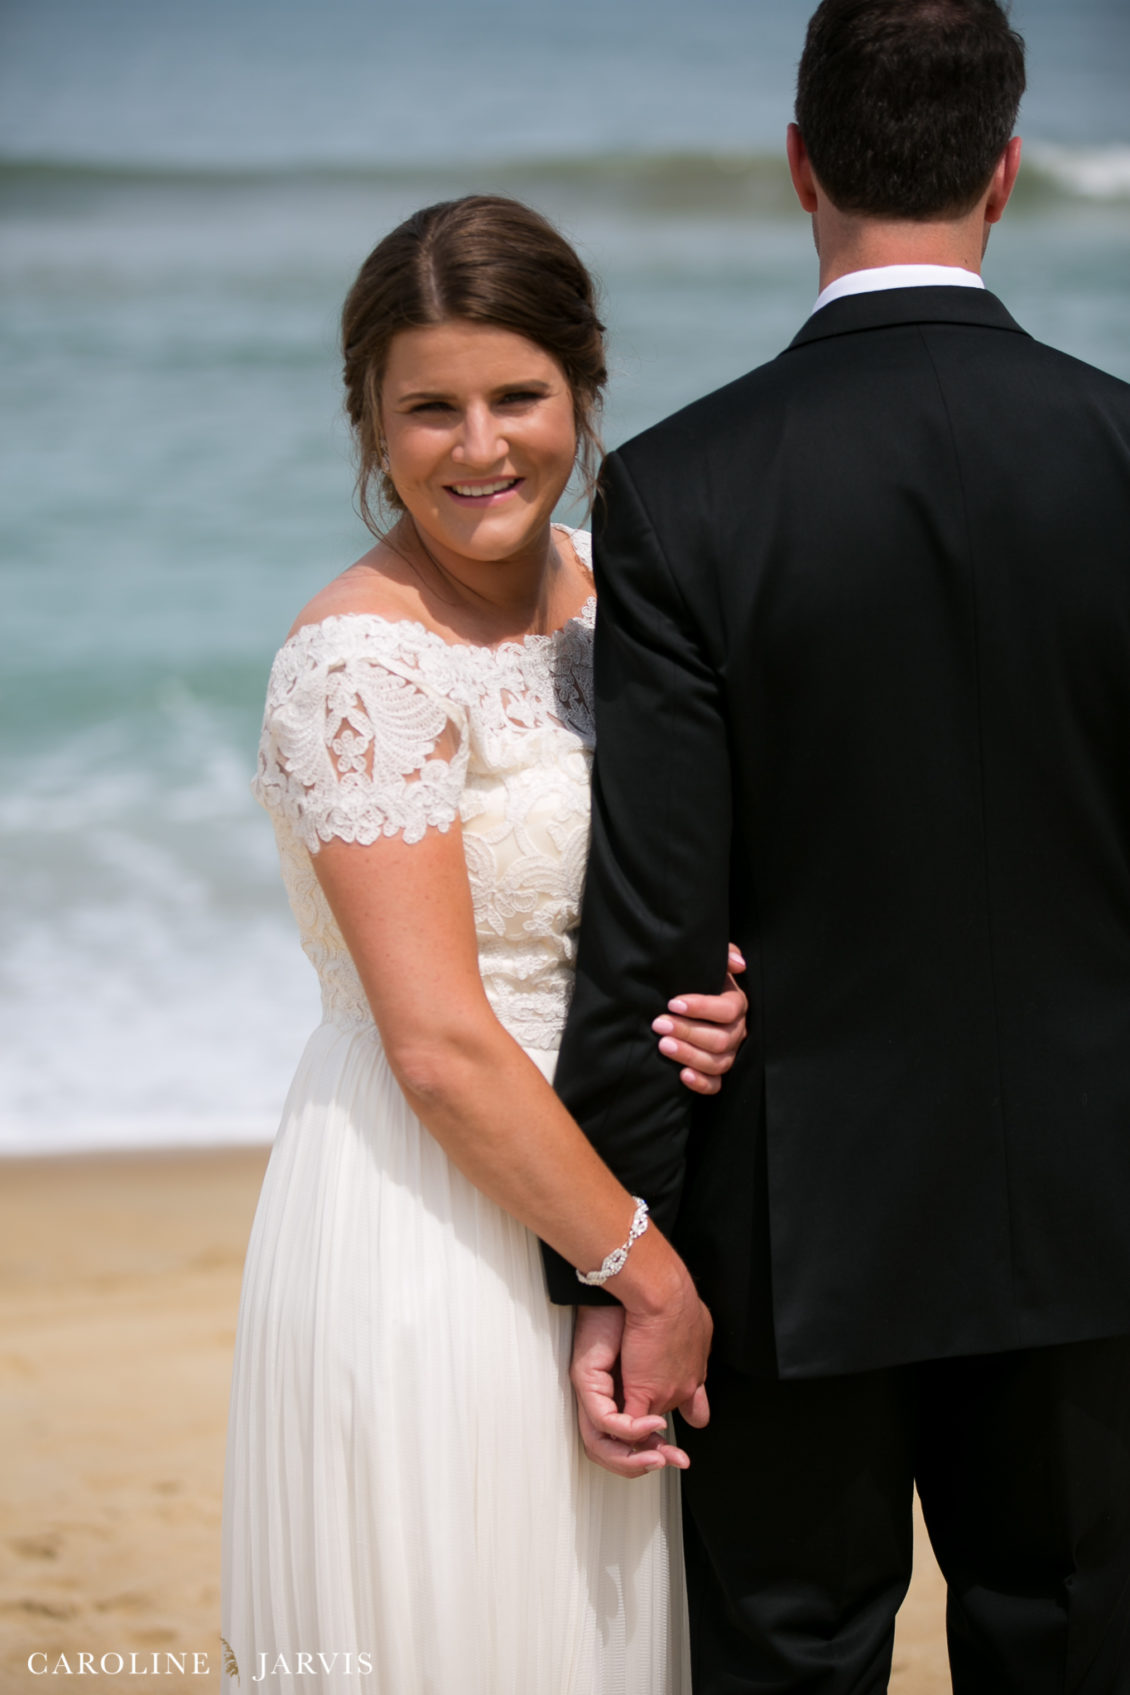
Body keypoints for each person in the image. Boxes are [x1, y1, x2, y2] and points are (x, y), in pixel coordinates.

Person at [543, 1, 1130, 1689]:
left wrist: (622, 1256)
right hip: (1097, 1203)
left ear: (799, 162)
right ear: (1002, 171)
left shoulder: (683, 488)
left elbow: (656, 924)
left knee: (788, 1658)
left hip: (794, 1229)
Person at [220, 194, 748, 1695]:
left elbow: (669, 874)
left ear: (583, 386)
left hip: (609, 1172)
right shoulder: (357, 661)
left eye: (517, 396)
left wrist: (718, 988)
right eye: (427, 409)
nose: (478, 448)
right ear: (367, 421)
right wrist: (649, 1277)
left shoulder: (621, 598)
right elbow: (439, 1044)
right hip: (431, 1216)